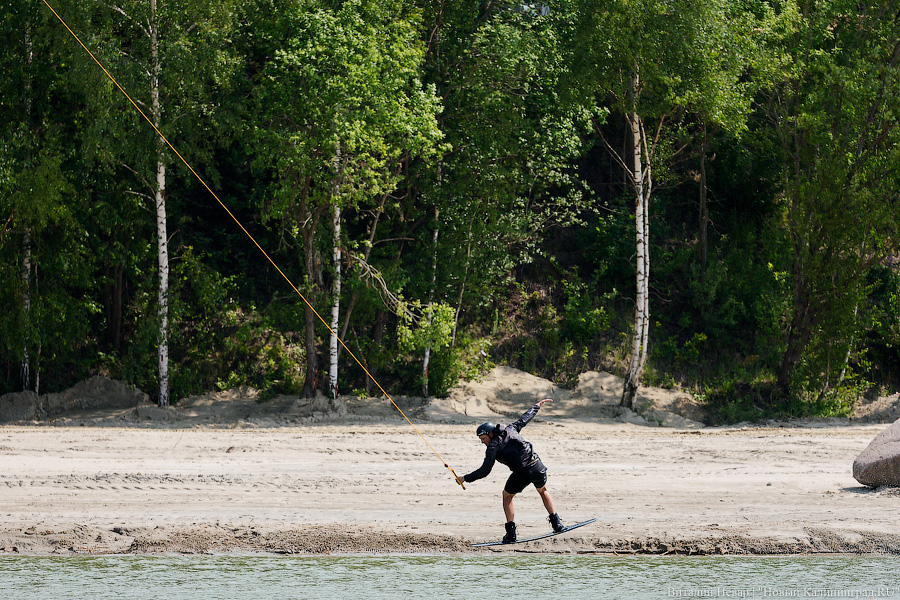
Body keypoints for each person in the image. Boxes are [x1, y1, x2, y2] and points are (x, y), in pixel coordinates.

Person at [455, 397, 564, 543]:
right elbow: (524, 419)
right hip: (537, 465)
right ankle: (557, 524)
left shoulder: (493, 447)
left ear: (490, 434)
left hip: (523, 472)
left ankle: (511, 534)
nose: (482, 442)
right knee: (543, 490)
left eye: (483, 438)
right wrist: (536, 406)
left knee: (507, 496)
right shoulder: (510, 429)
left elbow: (485, 470)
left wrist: (465, 478)